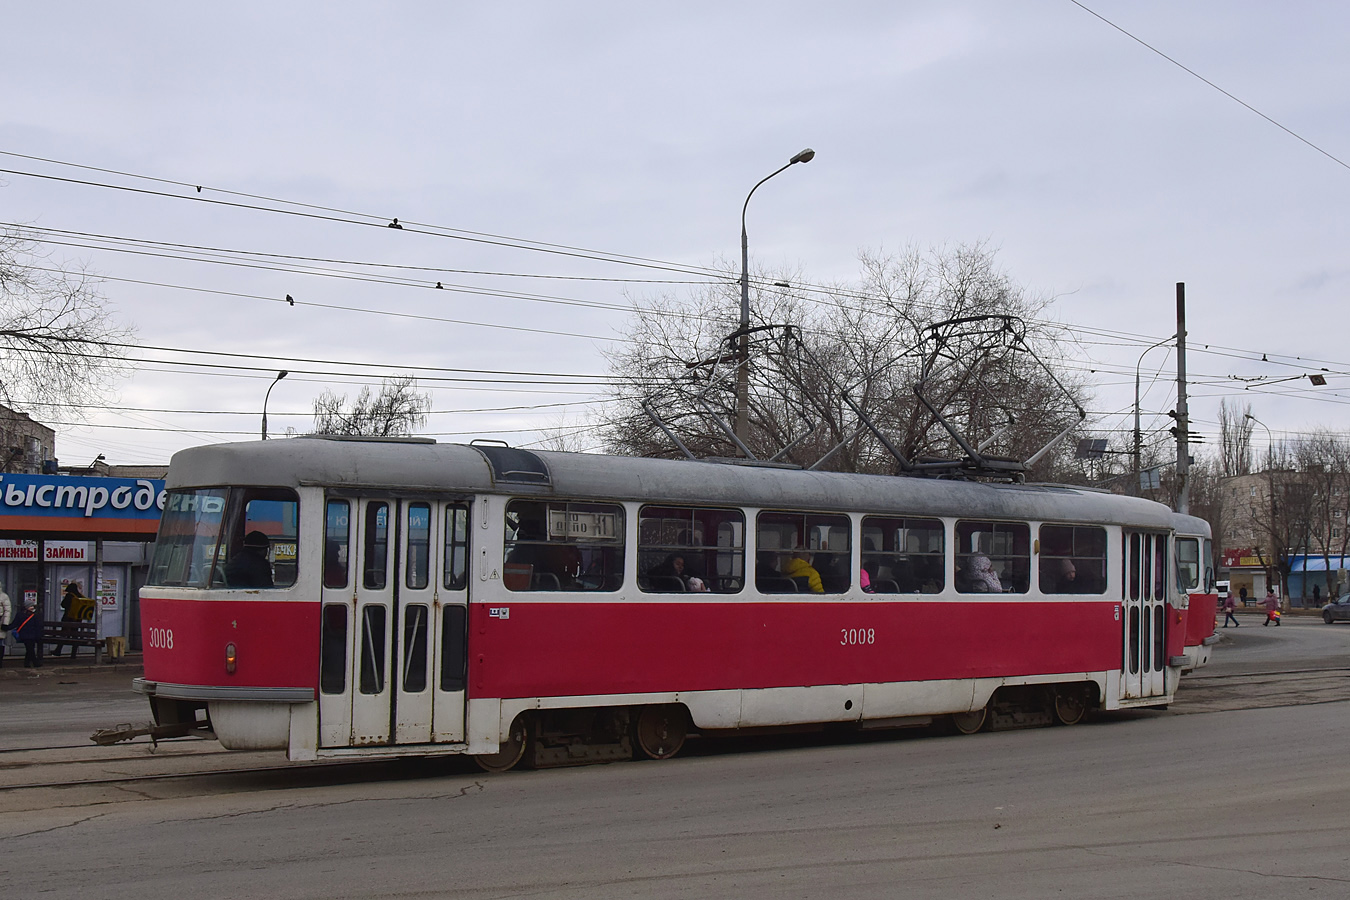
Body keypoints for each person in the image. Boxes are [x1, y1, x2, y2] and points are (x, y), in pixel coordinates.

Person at [14, 598, 44, 668]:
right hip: (26, 635)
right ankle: (35, 662)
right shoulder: (22, 615)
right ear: (27, 607)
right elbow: (15, 623)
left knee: (29, 648)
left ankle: (27, 663)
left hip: (31, 635)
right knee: (30, 648)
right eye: (31, 606)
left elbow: (38, 626)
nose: (33, 608)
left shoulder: (34, 615)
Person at [0, 585, 12, 668]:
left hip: (0, 622)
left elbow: (7, 611)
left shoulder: (3, 596)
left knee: (0, 642)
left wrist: (5, 623)